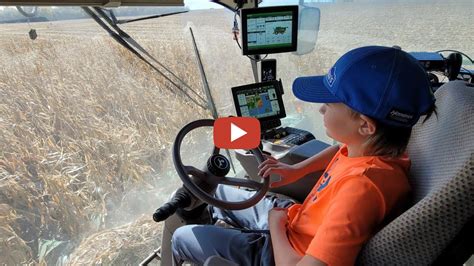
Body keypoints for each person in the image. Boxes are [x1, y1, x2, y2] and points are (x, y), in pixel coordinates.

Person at [171, 45, 437, 266]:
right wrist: (297, 171)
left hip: (281, 252)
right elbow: (339, 151)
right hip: (297, 219)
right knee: (218, 191)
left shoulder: (362, 189)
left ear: (366, 125)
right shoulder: (378, 154)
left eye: (330, 104)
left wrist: (276, 226)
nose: (321, 109)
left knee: (181, 237)